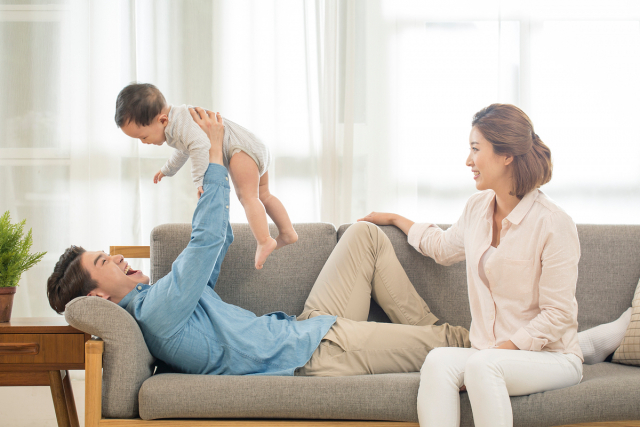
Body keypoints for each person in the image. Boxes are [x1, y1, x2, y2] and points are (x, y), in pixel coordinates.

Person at [47, 107, 470, 378]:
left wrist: (215, 184)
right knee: (451, 346)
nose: (118, 256)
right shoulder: (157, 311)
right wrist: (212, 155)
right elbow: (207, 239)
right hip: (315, 357)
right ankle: (520, 347)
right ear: (100, 297)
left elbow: (217, 241)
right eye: (104, 260)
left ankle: (426, 329)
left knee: (365, 235)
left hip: (306, 329)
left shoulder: (164, 297)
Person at [359, 104, 584, 427]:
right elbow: (443, 248)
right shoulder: (477, 208)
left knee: (483, 365)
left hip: (551, 358)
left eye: (476, 149)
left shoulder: (553, 223)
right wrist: (395, 219)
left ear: (506, 155)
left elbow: (559, 315)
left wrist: (497, 352)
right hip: (490, 354)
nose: (468, 161)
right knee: (438, 361)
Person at [114, 83, 296, 269]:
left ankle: (265, 240)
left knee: (248, 197)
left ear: (162, 120)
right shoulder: (177, 121)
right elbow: (184, 149)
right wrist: (167, 169)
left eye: (143, 137)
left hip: (240, 149)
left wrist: (199, 180)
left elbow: (199, 146)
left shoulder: (181, 123)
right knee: (264, 195)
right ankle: (287, 232)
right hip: (253, 145)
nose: (143, 143)